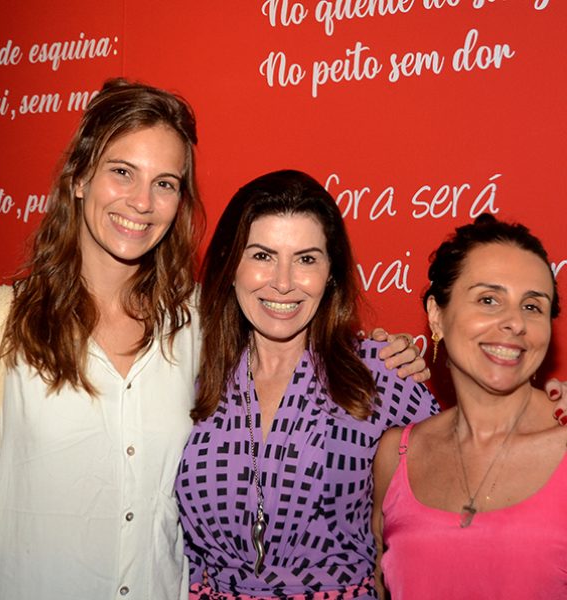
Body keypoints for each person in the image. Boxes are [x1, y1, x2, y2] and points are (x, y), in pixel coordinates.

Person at [0, 81, 427, 600]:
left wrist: (393, 358)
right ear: (78, 178)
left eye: (165, 183)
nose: (142, 202)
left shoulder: (195, 326)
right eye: (122, 172)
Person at [175, 169, 439, 600]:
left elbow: (466, 500)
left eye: (306, 259)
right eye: (262, 255)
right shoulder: (187, 373)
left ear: (331, 272)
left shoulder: (384, 378)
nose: (283, 282)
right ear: (231, 265)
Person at [372, 214, 567, 599]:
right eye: (489, 299)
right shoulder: (396, 455)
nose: (514, 322)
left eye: (532, 306)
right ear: (436, 316)